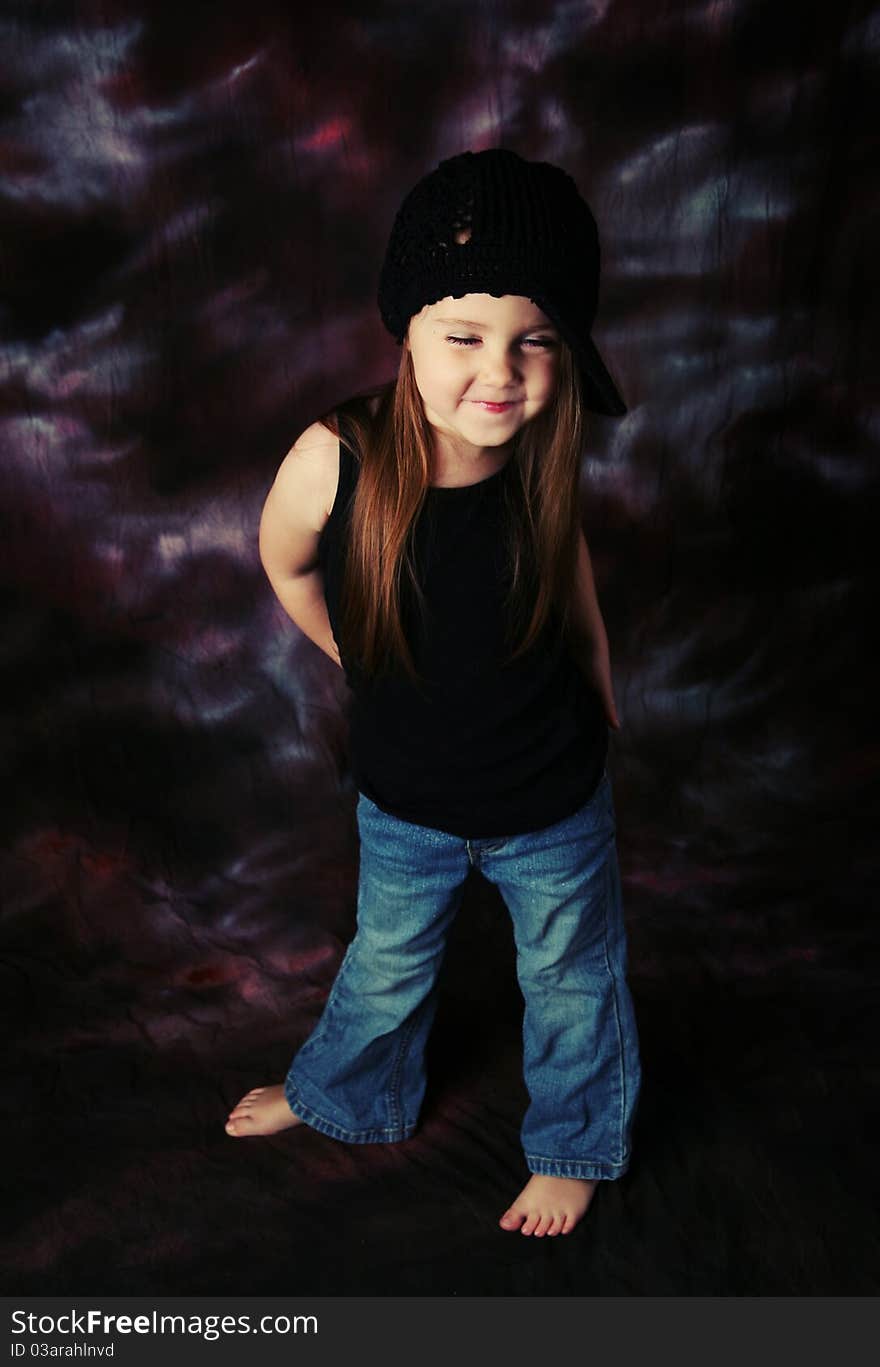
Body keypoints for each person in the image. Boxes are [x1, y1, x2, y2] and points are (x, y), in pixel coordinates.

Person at [225, 148, 642, 1238]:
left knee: (572, 979)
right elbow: (283, 559)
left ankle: (573, 1142)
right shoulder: (338, 455)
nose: (499, 372)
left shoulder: (539, 453)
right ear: (405, 328)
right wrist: (349, 652)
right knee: (384, 963)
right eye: (463, 334)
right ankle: (349, 1098)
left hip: (549, 800)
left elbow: (571, 576)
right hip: (406, 801)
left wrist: (598, 678)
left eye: (536, 340)